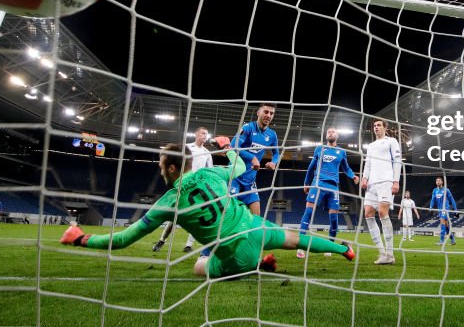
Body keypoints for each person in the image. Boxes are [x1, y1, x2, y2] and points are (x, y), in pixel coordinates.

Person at [60, 138, 354, 278]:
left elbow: (124, 239)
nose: (160, 170)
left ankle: (254, 264)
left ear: (173, 168)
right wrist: (228, 147)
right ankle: (345, 250)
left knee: (199, 265)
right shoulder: (211, 174)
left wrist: (83, 238)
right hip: (255, 226)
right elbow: (238, 165)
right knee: (293, 238)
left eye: (161, 165)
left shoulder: (169, 202)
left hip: (236, 252)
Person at [297, 127, 359, 259]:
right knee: (308, 212)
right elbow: (311, 167)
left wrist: (353, 176)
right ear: (326, 136)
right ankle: (301, 246)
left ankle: (329, 246)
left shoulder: (341, 152)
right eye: (328, 132)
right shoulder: (319, 149)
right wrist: (306, 183)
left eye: (333, 131)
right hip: (318, 184)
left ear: (337, 136)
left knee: (334, 219)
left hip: (333, 188)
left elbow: (346, 168)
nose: (330, 132)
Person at [153, 127, 214, 253]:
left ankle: (188, 245)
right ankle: (162, 240)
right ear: (196, 134)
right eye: (203, 133)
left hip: (197, 187)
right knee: (175, 216)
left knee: (198, 216)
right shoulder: (186, 147)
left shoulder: (207, 153)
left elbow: (210, 170)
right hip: (183, 184)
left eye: (206, 134)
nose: (205, 136)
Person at [360, 119, 402, 265]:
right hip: (372, 184)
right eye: (374, 126)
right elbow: (368, 163)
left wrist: (395, 181)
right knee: (368, 214)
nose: (376, 127)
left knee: (383, 213)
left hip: (386, 181)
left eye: (379, 125)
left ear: (385, 128)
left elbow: (397, 161)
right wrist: (364, 178)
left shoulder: (391, 141)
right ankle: (382, 253)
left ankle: (390, 255)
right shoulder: (370, 146)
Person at [230, 104, 280, 216]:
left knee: (256, 217)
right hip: (234, 176)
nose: (269, 115)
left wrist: (274, 162)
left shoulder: (272, 135)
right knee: (229, 213)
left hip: (250, 180)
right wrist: (252, 158)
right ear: (258, 113)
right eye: (266, 112)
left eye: (271, 113)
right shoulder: (248, 128)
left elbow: (276, 154)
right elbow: (234, 146)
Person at [429, 177, 458, 246]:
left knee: (442, 221)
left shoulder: (446, 190)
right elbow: (433, 200)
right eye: (437, 181)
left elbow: (452, 200)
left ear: (442, 182)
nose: (438, 182)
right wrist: (430, 207)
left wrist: (455, 209)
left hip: (446, 209)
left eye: (439, 181)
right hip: (439, 210)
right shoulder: (434, 190)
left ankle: (441, 241)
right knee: (446, 225)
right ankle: (453, 240)